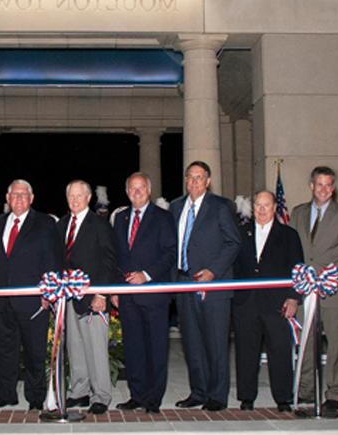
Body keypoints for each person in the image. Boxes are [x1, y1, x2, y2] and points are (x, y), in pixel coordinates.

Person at [289, 166, 338, 417]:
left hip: (334, 290)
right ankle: (307, 390)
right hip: (305, 290)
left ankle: (334, 393)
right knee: (306, 342)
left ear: (334, 188)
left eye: (329, 185)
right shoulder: (297, 213)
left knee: (337, 342)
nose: (324, 189)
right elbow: (294, 252)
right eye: (319, 184)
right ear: (311, 186)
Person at [170, 161, 241, 411]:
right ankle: (198, 391)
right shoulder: (176, 207)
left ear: (208, 181)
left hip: (214, 286)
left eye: (199, 178)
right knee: (192, 342)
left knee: (216, 342)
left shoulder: (221, 206)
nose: (194, 182)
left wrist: (214, 271)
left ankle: (217, 395)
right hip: (183, 283)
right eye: (190, 177)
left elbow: (233, 242)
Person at [0, 179, 60, 410]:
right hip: (4, 299)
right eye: (14, 195)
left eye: (23, 195)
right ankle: (6, 395)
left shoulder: (45, 223)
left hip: (33, 300)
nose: (18, 199)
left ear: (31, 198)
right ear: (7, 198)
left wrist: (48, 292)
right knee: (5, 350)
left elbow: (52, 259)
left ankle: (35, 398)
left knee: (34, 351)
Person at [234, 190, 303, 412]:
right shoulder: (240, 232)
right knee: (246, 352)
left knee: (280, 351)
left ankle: (283, 398)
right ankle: (246, 397)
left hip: (277, 303)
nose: (261, 209)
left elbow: (297, 269)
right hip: (246, 303)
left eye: (266, 205)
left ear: (275, 208)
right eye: (258, 205)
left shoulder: (289, 235)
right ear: (252, 208)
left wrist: (293, 298)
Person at [113, 172, 176, 414]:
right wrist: (117, 289)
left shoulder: (163, 217)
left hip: (154, 294)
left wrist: (146, 275)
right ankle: (136, 395)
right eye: (132, 188)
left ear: (148, 190)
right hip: (127, 296)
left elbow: (170, 253)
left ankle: (153, 399)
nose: (136, 192)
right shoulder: (120, 218)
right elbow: (117, 256)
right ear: (127, 191)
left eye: (141, 188)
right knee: (133, 348)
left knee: (156, 348)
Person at [58, 180, 117, 415]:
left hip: (93, 297)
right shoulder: (62, 225)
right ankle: (80, 392)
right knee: (75, 347)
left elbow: (109, 261)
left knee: (95, 347)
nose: (74, 200)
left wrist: (101, 293)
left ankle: (101, 395)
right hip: (69, 297)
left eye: (79, 196)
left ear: (89, 198)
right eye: (70, 196)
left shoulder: (99, 225)